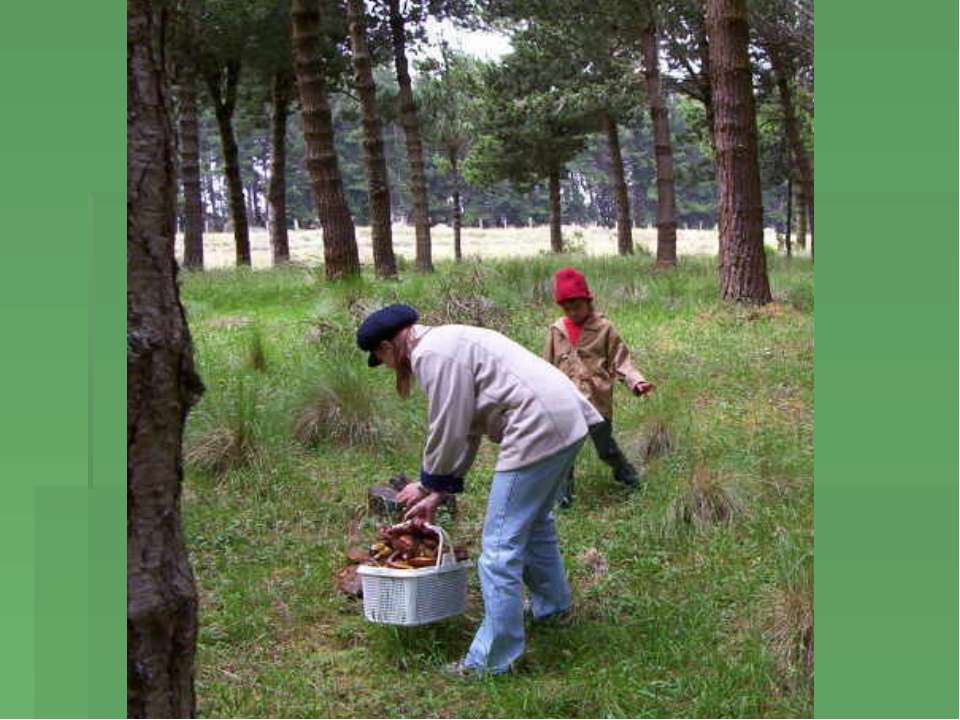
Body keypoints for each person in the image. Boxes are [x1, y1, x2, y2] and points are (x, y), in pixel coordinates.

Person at [356, 304, 603, 676]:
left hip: (538, 426)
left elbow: (448, 425)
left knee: (499, 548)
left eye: (382, 358)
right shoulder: (447, 340)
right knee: (534, 524)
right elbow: (468, 425)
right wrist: (439, 491)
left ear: (388, 347)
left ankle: (491, 661)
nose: (389, 367)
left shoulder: (431, 354)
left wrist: (428, 483)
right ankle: (552, 610)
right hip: (564, 418)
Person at [543, 267, 655, 508]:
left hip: (597, 402)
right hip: (565, 401)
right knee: (564, 450)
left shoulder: (604, 329)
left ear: (588, 301)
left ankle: (629, 478)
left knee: (605, 447)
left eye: (577, 306)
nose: (572, 312)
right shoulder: (557, 331)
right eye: (567, 308)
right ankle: (563, 497)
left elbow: (621, 360)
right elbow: (546, 366)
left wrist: (636, 381)